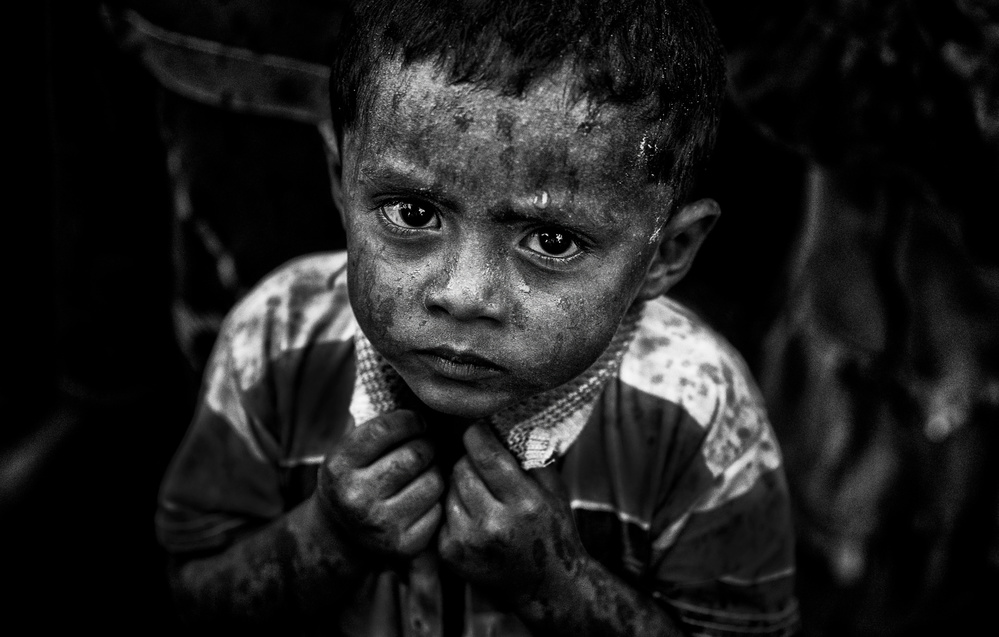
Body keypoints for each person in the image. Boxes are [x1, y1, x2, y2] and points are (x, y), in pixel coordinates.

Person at [154, 1, 800, 635]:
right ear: (338, 178)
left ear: (667, 252)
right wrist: (326, 536)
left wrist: (556, 584)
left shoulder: (697, 409)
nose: (464, 295)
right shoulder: (276, 336)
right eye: (412, 213)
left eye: (551, 240)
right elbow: (193, 594)